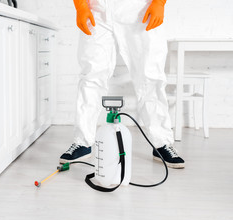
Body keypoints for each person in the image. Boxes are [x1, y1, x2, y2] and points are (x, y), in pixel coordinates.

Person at [60, 0, 185, 169]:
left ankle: (162, 142)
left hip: (140, 8)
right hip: (98, 10)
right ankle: (82, 142)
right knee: (91, 76)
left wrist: (159, 3)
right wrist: (81, 6)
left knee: (150, 77)